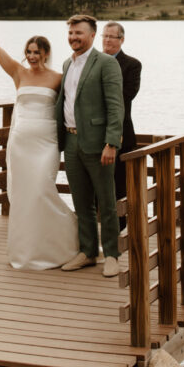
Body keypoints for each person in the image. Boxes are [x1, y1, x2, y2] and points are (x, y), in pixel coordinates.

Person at [0, 22, 80, 270]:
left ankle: (68, 241)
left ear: (46, 54)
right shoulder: (18, 73)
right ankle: (27, 249)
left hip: (47, 142)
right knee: (23, 197)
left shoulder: (58, 78)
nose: (32, 57)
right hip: (21, 143)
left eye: (37, 52)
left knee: (43, 190)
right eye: (29, 52)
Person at [55, 14, 125, 277]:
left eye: (79, 33)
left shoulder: (106, 63)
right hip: (71, 141)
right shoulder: (66, 64)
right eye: (71, 33)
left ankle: (111, 255)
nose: (74, 37)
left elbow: (115, 106)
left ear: (92, 35)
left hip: (98, 143)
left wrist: (111, 143)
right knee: (81, 201)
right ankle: (87, 252)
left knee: (106, 201)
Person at [101, 21, 141, 232]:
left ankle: (120, 231)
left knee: (119, 184)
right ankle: (102, 229)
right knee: (98, 185)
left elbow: (126, 96)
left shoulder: (132, 65)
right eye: (104, 36)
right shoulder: (92, 61)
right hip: (95, 133)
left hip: (121, 133)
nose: (107, 40)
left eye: (112, 37)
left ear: (121, 40)